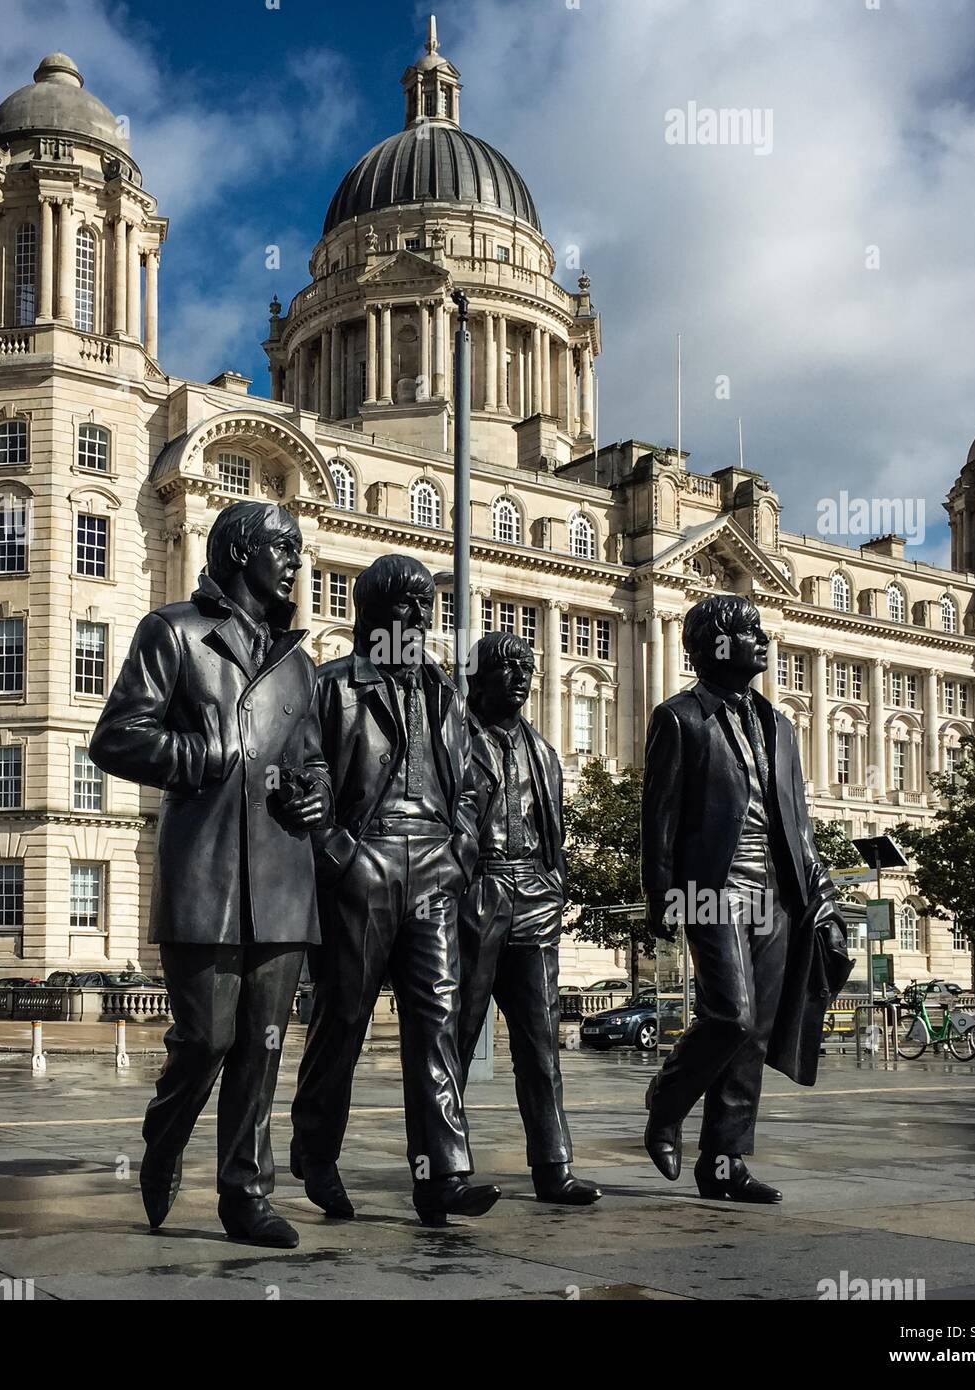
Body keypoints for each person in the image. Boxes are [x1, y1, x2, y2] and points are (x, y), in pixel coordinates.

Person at [90, 500, 330, 1248]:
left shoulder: (300, 664)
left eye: (297, 548)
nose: (295, 562)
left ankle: (246, 1195)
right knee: (205, 1039)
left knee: (261, 1044)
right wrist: (202, 756)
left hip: (285, 875)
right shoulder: (175, 633)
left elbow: (313, 755)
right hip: (207, 870)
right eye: (282, 548)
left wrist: (316, 788)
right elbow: (117, 737)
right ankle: (165, 1134)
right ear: (238, 552)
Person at [289, 554, 501, 1226]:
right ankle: (315, 1151)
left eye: (425, 605)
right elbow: (306, 775)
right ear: (372, 613)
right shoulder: (331, 686)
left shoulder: (446, 695)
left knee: (438, 1023)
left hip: (435, 866)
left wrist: (461, 849)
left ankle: (443, 1176)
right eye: (404, 605)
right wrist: (338, 856)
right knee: (343, 1019)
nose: (418, 617)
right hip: (365, 864)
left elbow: (467, 788)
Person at [641, 594, 845, 1203]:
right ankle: (667, 1098)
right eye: (750, 631)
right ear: (716, 645)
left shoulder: (780, 726)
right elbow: (660, 817)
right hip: (715, 887)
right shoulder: (680, 718)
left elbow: (798, 823)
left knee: (752, 1034)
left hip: (777, 891)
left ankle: (724, 1162)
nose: (763, 640)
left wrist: (823, 898)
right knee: (730, 1015)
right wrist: (660, 897)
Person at [457, 632, 601, 1206]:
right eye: (507, 666)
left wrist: (555, 885)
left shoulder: (542, 750)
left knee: (541, 1045)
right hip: (479, 891)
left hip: (534, 896)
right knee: (457, 1041)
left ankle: (553, 1165)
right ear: (479, 677)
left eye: (527, 667)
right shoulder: (454, 738)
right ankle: (447, 1168)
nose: (520, 676)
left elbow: (553, 831)